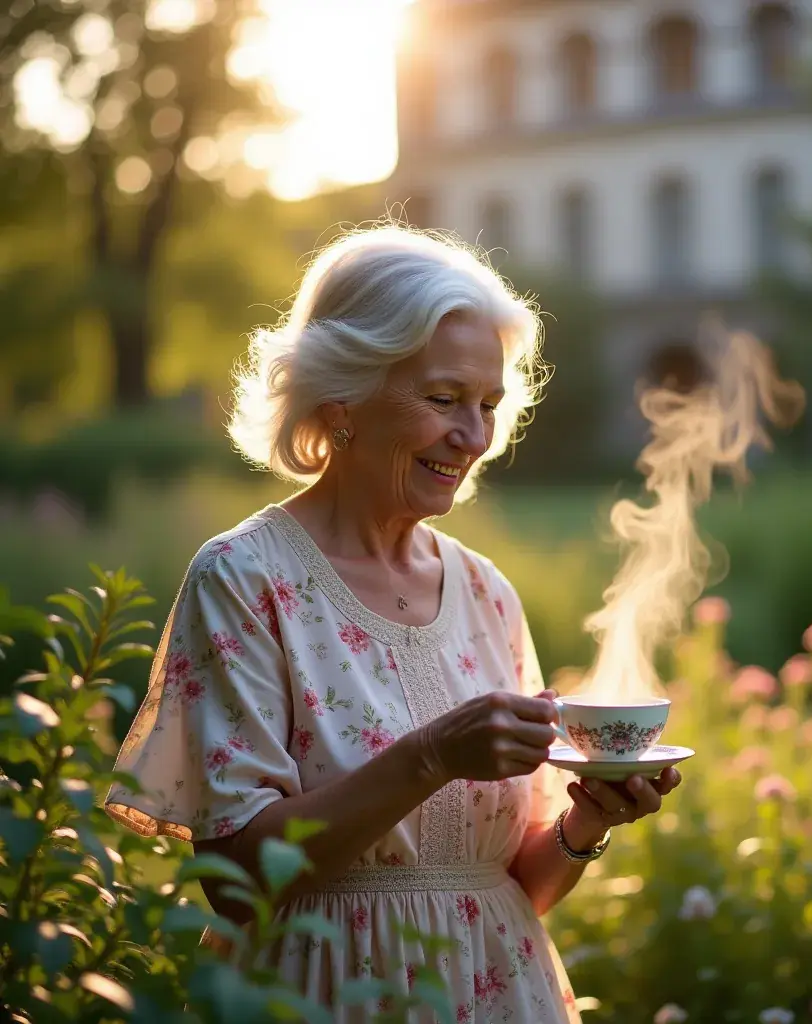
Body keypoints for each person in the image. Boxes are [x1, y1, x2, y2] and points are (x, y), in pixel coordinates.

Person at [103, 226, 681, 1022]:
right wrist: (434, 755)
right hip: (319, 996)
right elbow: (237, 881)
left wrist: (588, 818)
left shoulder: (487, 594)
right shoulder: (245, 580)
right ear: (339, 399)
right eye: (443, 400)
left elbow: (515, 885)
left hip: (504, 997)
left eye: (487, 405)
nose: (473, 437)